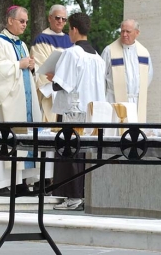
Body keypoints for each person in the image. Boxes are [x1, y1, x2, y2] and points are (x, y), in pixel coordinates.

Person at [49, 12, 105, 211]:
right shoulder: (98, 58)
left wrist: (51, 77)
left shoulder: (72, 53)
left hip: (74, 111)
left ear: (73, 29)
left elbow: (60, 85)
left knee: (70, 152)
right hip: (93, 113)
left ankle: (72, 196)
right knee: (85, 154)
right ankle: (84, 194)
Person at [0, 6, 41, 196]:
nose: (25, 24)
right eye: (21, 21)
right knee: (6, 140)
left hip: (23, 102)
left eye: (26, 21)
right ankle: (0, 184)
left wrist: (31, 66)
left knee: (23, 141)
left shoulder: (22, 44)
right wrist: (19, 64)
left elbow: (26, 69)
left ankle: (20, 182)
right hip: (7, 103)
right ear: (10, 21)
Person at [101, 19, 153, 123]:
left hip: (136, 102)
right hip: (114, 100)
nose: (124, 34)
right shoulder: (109, 50)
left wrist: (137, 90)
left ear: (137, 33)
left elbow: (149, 75)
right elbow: (101, 76)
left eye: (128, 31)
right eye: (122, 31)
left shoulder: (144, 52)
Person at [32, 5, 73, 123]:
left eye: (64, 19)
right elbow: (40, 66)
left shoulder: (70, 39)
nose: (60, 21)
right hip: (50, 91)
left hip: (67, 90)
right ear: (50, 18)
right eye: (57, 18)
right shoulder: (41, 39)